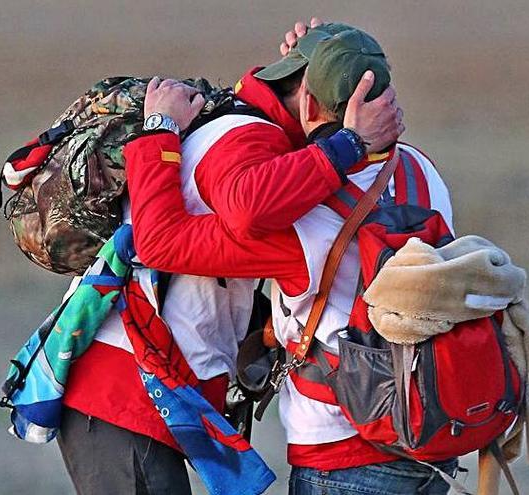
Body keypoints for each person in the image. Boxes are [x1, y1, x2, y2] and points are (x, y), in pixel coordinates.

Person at [53, 20, 404, 495]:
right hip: (125, 388)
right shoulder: (246, 140)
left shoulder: (257, 132)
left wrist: (322, 60)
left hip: (145, 387)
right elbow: (222, 216)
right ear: (309, 102)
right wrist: (349, 144)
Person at [124, 24, 458, 494]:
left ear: (307, 103)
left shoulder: (302, 221)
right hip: (436, 436)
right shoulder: (423, 171)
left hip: (343, 452)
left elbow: (162, 241)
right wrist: (325, 62)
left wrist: (157, 131)